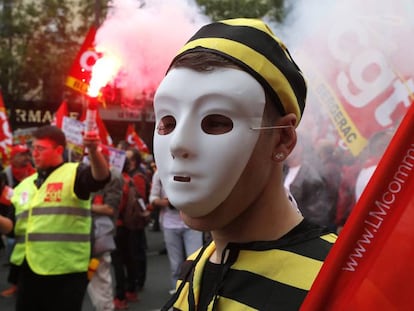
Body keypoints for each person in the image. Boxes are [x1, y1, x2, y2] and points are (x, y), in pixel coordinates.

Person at [152, 18, 337, 310]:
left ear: (282, 140)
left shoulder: (340, 281)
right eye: (168, 122)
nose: (178, 144)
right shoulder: (194, 267)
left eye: (216, 122)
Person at [10, 125, 110, 311]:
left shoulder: (75, 173)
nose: (34, 153)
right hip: (29, 270)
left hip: (66, 272)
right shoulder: (25, 185)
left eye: (40, 149)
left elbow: (100, 178)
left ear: (58, 150)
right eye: (33, 148)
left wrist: (93, 151)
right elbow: (12, 226)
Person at [149, 170, 203, 295]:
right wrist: (167, 202)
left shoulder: (192, 169)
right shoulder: (159, 173)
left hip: (192, 223)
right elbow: (153, 198)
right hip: (170, 225)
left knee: (195, 261)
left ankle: (196, 291)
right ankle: (178, 292)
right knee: (176, 264)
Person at [88, 145, 123, 311]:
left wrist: (84, 207)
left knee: (100, 275)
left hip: (101, 234)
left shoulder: (114, 176)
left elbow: (110, 209)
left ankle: (106, 307)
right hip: (88, 234)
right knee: (93, 276)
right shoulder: (89, 173)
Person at [0, 144, 35, 298]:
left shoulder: (34, 172)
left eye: (27, 154)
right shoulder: (5, 174)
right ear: (13, 157)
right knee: (12, 249)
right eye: (22, 154)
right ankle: (15, 285)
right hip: (7, 213)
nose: (26, 158)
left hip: (27, 216)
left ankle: (20, 286)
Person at [124, 147, 149, 291]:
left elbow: (139, 198)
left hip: (135, 219)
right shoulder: (130, 174)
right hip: (132, 219)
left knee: (136, 250)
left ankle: (139, 279)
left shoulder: (137, 176)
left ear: (133, 161)